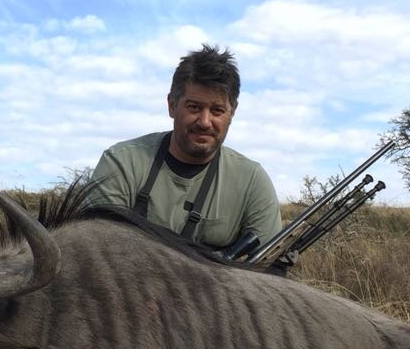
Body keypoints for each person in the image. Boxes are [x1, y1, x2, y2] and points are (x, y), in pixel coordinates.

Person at [88, 44, 283, 255]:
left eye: (217, 110)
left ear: (232, 112)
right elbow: (97, 253)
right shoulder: (121, 162)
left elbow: (269, 272)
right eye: (194, 107)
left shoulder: (252, 180)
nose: (205, 122)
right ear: (172, 105)